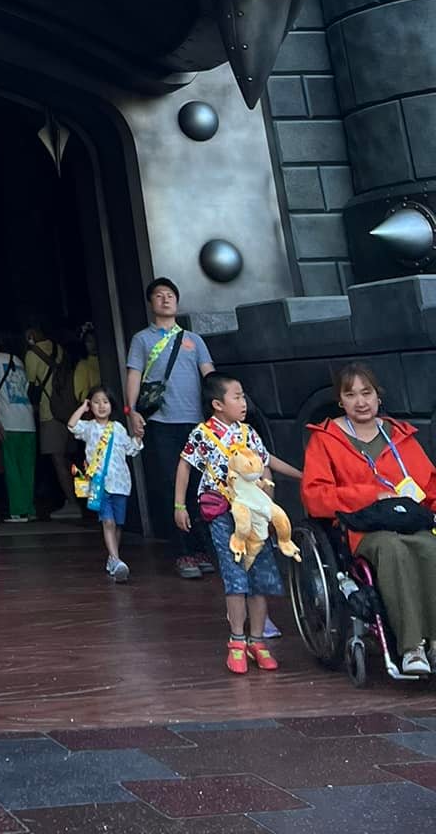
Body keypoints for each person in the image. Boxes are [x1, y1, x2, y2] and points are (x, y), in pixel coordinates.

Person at [302, 361, 436, 676]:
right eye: (351, 395)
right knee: (392, 550)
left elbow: (429, 484)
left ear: (378, 396)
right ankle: (411, 646)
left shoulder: (400, 435)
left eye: (367, 393)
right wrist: (370, 495)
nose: (360, 402)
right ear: (340, 401)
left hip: (407, 520)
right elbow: (315, 496)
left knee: (430, 548)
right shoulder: (326, 439)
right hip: (362, 528)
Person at [175, 371, 301, 673]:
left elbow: (267, 461)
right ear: (218, 404)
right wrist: (179, 505)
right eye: (237, 397)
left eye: (243, 397)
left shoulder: (248, 433)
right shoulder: (202, 434)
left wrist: (301, 475)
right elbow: (185, 466)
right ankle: (237, 640)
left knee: (260, 576)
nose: (244, 403)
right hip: (222, 514)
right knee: (235, 577)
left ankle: (258, 641)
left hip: (255, 516)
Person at [126, 278, 215, 578]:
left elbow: (209, 376)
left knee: (198, 486)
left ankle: (201, 548)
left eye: (170, 295)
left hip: (195, 422)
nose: (165, 300)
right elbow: (134, 375)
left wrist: (220, 408)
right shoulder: (142, 339)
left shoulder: (194, 340)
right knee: (169, 486)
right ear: (151, 303)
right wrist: (132, 411)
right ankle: (182, 552)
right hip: (161, 423)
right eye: (159, 296)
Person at [67, 386, 142, 581]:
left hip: (121, 483)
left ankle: (113, 558)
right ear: (90, 405)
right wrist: (82, 408)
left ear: (111, 405)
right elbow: (72, 425)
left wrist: (138, 436)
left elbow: (131, 449)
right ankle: (116, 560)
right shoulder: (89, 427)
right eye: (96, 402)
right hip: (99, 484)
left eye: (105, 402)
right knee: (108, 522)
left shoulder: (118, 428)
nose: (101, 406)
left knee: (117, 524)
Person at [24, 322, 78, 517]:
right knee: (70, 458)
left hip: (50, 410)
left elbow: (31, 384)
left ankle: (72, 503)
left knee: (58, 459)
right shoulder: (58, 348)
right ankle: (81, 498)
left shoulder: (32, 354)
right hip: (68, 409)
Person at [0, 334, 37, 523]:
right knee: (27, 469)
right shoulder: (18, 361)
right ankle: (29, 508)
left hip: (8, 420)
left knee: (12, 469)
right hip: (27, 419)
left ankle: (18, 510)